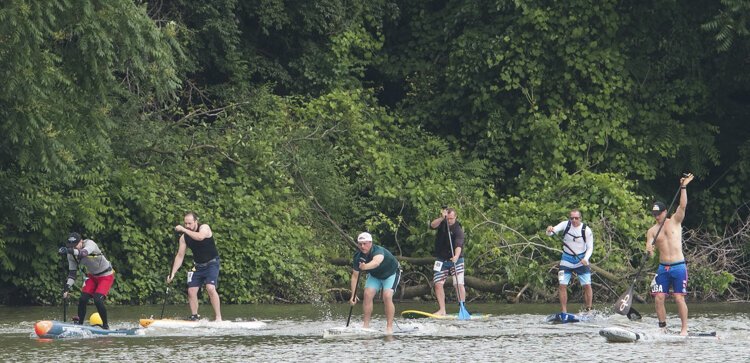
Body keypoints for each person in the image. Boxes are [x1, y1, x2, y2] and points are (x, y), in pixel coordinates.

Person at [647, 173, 694, 336]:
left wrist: (683, 187)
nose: (656, 216)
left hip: (678, 266)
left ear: (665, 212)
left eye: (659, 213)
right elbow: (649, 245)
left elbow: (682, 206)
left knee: (679, 298)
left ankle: (684, 329)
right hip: (663, 268)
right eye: (654, 214)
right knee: (659, 297)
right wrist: (649, 250)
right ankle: (662, 327)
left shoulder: (675, 221)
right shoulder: (651, 231)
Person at [167, 212, 222, 321]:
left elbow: (200, 237)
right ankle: (195, 316)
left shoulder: (204, 228)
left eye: (190, 223)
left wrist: (184, 229)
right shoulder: (184, 238)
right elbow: (180, 256)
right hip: (198, 266)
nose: (187, 226)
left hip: (212, 263)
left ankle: (218, 317)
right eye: (185, 223)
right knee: (191, 290)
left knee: (210, 288)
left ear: (196, 222)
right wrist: (172, 273)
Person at [59, 232, 115, 329]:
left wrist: (69, 250)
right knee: (83, 299)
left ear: (81, 241)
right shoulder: (71, 255)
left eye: (75, 245)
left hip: (106, 275)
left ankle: (106, 326)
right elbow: (72, 274)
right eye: (71, 246)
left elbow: (83, 253)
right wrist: (67, 287)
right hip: (92, 276)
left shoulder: (90, 244)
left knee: (97, 300)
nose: (74, 248)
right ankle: (80, 324)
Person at [348, 232, 401, 335]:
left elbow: (376, 262)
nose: (362, 246)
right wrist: (353, 295)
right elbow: (355, 276)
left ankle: (389, 327)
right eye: (360, 244)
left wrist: (365, 267)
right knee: (367, 294)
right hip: (375, 276)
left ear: (370, 243)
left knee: (387, 296)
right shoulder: (357, 256)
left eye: (365, 243)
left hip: (391, 274)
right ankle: (366, 325)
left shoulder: (378, 250)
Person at [546, 209, 594, 314]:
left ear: (580, 218)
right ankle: (564, 311)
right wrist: (549, 230)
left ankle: (588, 310)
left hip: (581, 259)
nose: (574, 220)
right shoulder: (565, 225)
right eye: (572, 218)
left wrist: (586, 259)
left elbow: (590, 248)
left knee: (587, 285)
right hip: (566, 259)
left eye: (576, 218)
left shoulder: (586, 230)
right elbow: (551, 233)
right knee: (562, 285)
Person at [430, 207, 466, 316]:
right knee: (438, 283)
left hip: (456, 259)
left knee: (458, 284)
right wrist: (442, 218)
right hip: (441, 259)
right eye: (448, 218)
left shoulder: (458, 230)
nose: (449, 221)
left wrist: (456, 256)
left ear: (455, 217)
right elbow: (432, 225)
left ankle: (462, 308)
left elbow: (458, 245)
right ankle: (442, 310)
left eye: (451, 219)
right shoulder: (442, 222)